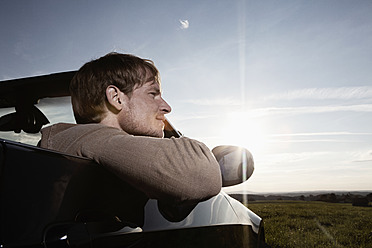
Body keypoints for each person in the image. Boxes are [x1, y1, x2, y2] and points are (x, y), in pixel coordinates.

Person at [38, 52, 221, 224]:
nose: (166, 107)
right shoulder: (89, 140)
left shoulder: (87, 145)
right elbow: (202, 175)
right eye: (153, 94)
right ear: (116, 98)